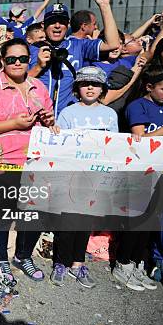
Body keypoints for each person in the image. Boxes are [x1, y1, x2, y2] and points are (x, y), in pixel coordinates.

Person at [0, 38, 57, 282]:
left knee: (34, 214)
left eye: (23, 58)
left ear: (29, 60)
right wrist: (13, 124)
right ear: (2, 61)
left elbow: (50, 126)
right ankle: (0, 259)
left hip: (34, 163)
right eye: (11, 59)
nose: (17, 63)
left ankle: (23, 255)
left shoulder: (39, 87)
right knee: (0, 215)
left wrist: (49, 122)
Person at [50, 66, 118, 288]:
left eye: (96, 84)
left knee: (85, 223)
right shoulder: (68, 113)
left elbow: (114, 147)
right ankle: (61, 262)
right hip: (71, 177)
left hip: (96, 179)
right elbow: (61, 145)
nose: (90, 87)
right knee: (68, 222)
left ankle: (78, 263)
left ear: (103, 88)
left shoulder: (110, 114)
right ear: (77, 88)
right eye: (85, 83)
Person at [116, 67, 163, 291]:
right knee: (136, 220)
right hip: (140, 172)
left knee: (151, 221)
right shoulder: (137, 106)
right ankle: (122, 264)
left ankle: (136, 263)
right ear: (149, 87)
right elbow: (140, 139)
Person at [28, 0, 120, 116]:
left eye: (62, 22)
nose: (57, 26)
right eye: (52, 21)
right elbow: (16, 83)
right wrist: (38, 67)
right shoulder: (31, 49)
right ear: (43, 25)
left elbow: (113, 44)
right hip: (36, 118)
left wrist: (104, 6)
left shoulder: (78, 45)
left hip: (68, 119)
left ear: (68, 24)